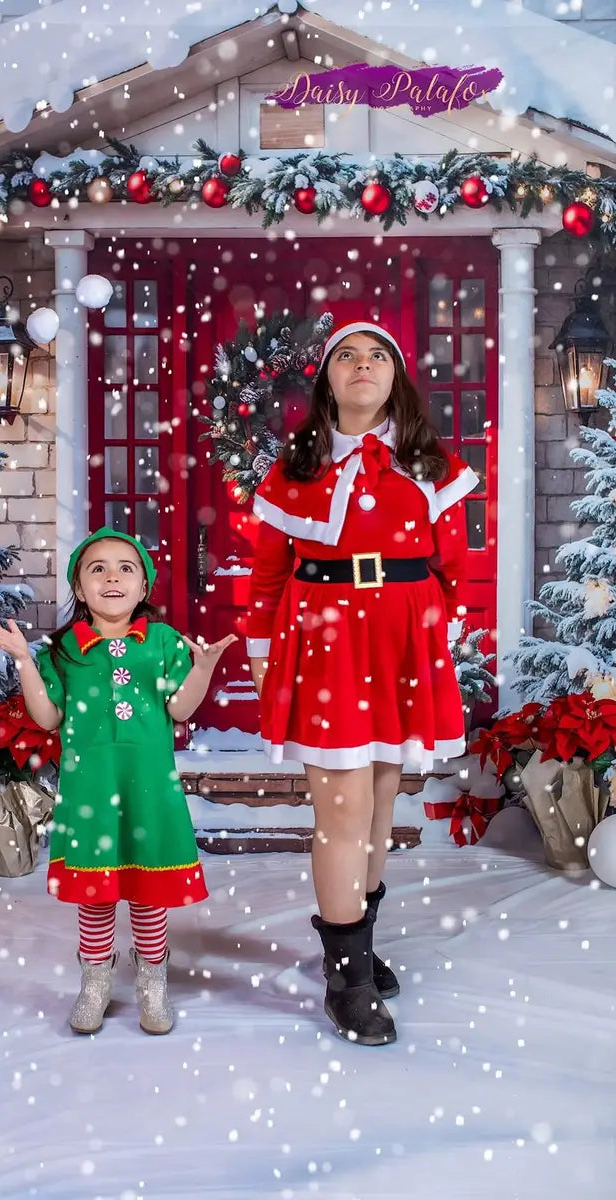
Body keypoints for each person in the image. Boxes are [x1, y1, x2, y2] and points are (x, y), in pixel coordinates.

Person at [245, 320, 478, 1046]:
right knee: (341, 808)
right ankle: (344, 975)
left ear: (394, 377)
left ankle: (361, 943)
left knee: (379, 803)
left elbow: (453, 567)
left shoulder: (430, 464)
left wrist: (444, 635)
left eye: (376, 355)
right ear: (327, 378)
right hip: (327, 641)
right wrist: (260, 653)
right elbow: (268, 573)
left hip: (404, 638)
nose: (361, 365)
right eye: (345, 355)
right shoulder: (298, 465)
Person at [0, 527, 236, 1036]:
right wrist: (23, 661)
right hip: (91, 789)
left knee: (148, 888)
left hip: (149, 788)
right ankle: (95, 981)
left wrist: (203, 668)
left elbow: (181, 707)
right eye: (97, 568)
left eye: (126, 567)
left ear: (144, 586)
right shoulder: (65, 650)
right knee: (95, 891)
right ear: (79, 588)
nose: (112, 576)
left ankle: (151, 980)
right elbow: (47, 716)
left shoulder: (161, 642)